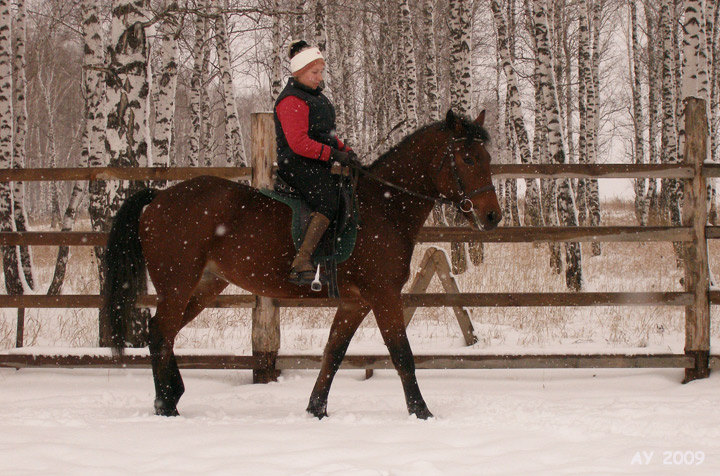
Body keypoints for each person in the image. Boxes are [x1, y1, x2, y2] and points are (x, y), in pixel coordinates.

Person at [274, 40, 357, 286]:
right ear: (299, 72)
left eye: (321, 72)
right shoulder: (291, 101)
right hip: (296, 163)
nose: (319, 77)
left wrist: (345, 150)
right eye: (314, 72)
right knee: (328, 199)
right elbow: (298, 142)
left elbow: (325, 134)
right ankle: (302, 260)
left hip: (315, 161)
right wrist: (332, 155)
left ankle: (329, 259)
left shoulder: (316, 98)